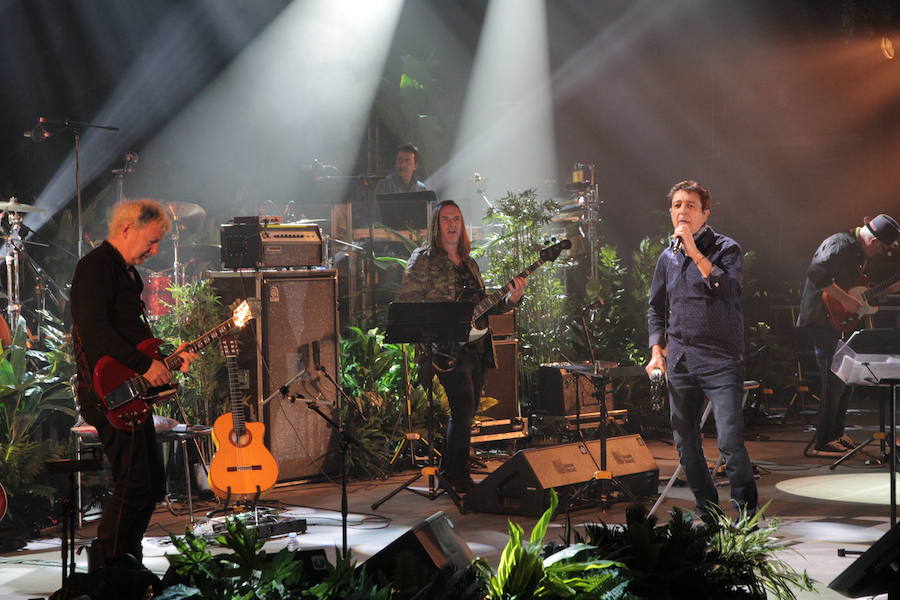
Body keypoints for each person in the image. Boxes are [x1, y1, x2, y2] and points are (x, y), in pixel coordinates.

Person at [71, 199, 198, 570]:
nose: (155, 250)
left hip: (131, 391)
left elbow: (131, 337)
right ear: (128, 228)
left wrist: (168, 359)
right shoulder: (94, 268)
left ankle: (129, 565)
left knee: (150, 485)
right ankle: (108, 568)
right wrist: (146, 365)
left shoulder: (128, 273)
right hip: (106, 393)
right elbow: (95, 333)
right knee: (134, 484)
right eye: (152, 240)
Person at [646, 180, 758, 521]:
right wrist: (656, 351)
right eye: (677, 205)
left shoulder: (727, 248)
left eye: (691, 206)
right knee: (685, 445)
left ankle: (747, 515)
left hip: (721, 360)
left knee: (729, 443)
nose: (683, 211)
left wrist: (694, 250)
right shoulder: (667, 257)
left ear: (705, 213)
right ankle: (708, 512)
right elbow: (655, 308)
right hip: (680, 359)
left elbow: (726, 289)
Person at [397, 200, 525, 495]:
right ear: (436, 225)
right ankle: (457, 475)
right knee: (464, 405)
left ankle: (450, 472)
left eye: (456, 219)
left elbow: (485, 308)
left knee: (466, 409)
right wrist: (441, 320)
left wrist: (513, 297)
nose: (452, 224)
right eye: (445, 219)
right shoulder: (423, 259)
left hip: (476, 346)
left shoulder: (469, 262)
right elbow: (409, 302)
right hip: (444, 348)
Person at [796, 213, 900, 455]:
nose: (882, 253)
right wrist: (846, 300)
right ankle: (823, 441)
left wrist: (890, 289)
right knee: (833, 379)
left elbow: (855, 293)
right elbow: (816, 273)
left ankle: (836, 434)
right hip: (821, 319)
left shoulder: (857, 254)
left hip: (837, 321)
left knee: (846, 378)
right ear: (874, 241)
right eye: (884, 248)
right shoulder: (840, 243)